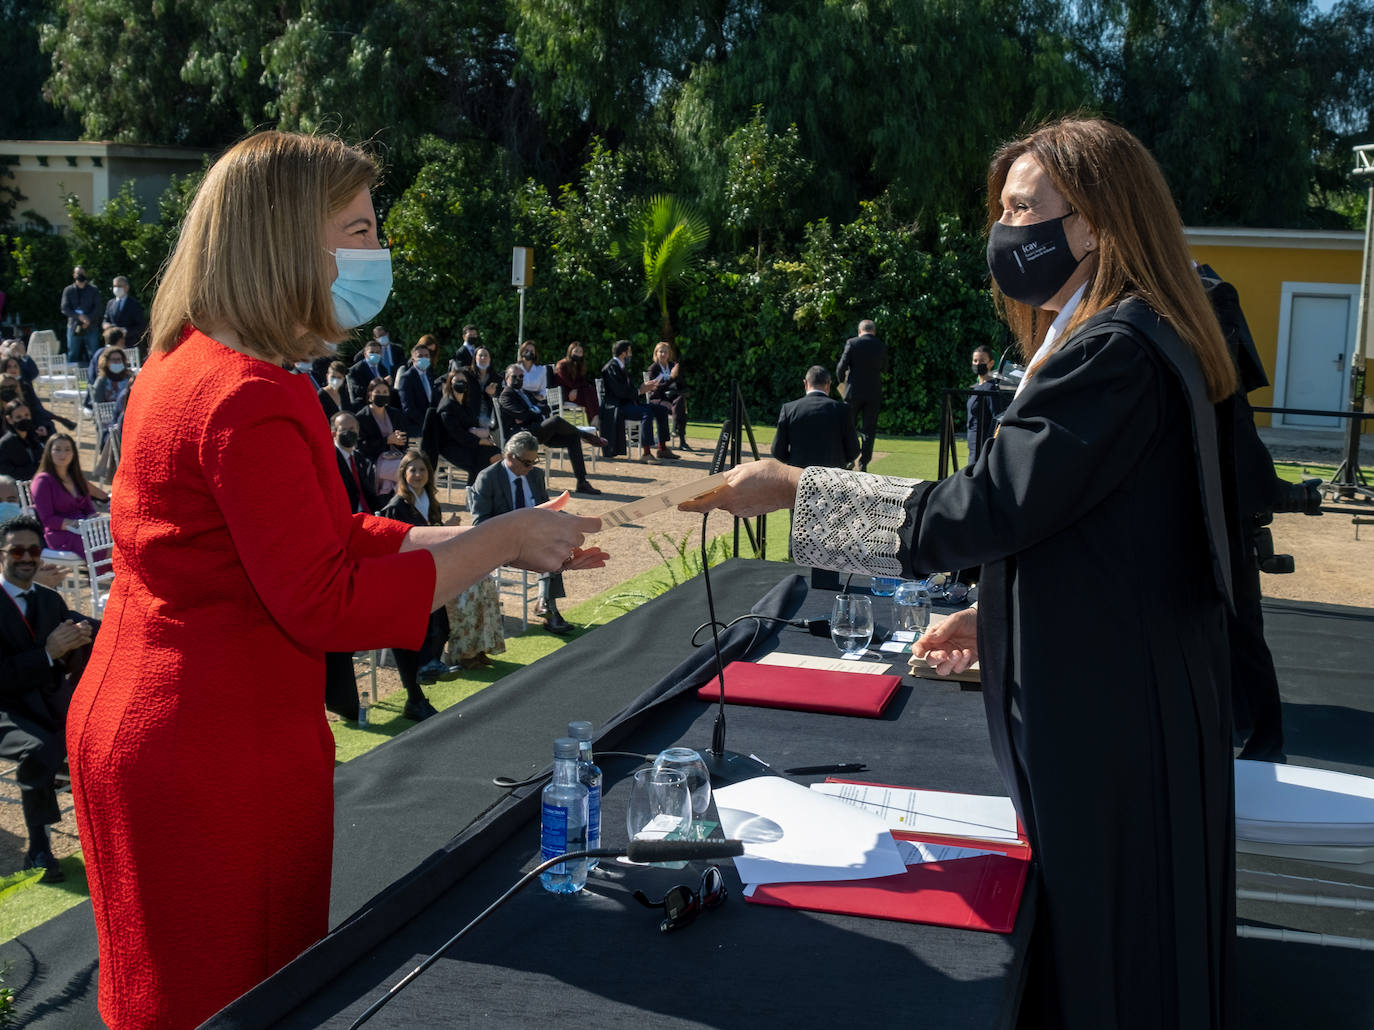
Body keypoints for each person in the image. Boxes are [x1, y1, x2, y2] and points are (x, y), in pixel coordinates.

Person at [684, 117, 1237, 1029]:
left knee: (1118, 953)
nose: (1006, 231)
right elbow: (1095, 528)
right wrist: (999, 615)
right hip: (1126, 686)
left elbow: (983, 506)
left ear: (1094, 222)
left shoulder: (1113, 351)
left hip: (1115, 720)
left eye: (1025, 208)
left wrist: (798, 489)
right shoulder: (1116, 333)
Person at [64, 130, 607, 1030]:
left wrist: (472, 534)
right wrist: (503, 540)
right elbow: (324, 600)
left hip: (154, 731)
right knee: (240, 1001)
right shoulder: (247, 396)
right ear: (285, 240)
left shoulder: (184, 363)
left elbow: (313, 533)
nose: (376, 249)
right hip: (210, 753)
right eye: (357, 227)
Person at [1, 514, 95, 883]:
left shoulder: (49, 599)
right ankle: (38, 848)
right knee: (41, 749)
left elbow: (87, 629)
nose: (27, 557)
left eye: (34, 550)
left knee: (96, 733)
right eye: (18, 550)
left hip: (44, 701)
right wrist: (46, 655)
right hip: (5, 709)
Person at [470, 431, 581, 634]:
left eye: (534, 461)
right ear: (510, 456)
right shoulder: (488, 478)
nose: (531, 467)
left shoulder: (535, 475)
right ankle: (549, 608)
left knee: (557, 543)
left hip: (536, 538)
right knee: (548, 548)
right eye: (527, 462)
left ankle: (544, 602)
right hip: (505, 542)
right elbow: (480, 523)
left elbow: (547, 508)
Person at [376, 451, 459, 718]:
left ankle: (427, 671)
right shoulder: (396, 507)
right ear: (403, 474)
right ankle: (416, 695)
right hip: (405, 581)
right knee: (414, 636)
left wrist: (447, 528)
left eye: (422, 470)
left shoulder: (431, 503)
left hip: (430, 576)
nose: (418, 475)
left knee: (441, 627)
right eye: (412, 470)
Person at [498, 364, 604, 495]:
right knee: (555, 421)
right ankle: (585, 435)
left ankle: (582, 482)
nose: (518, 379)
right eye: (514, 376)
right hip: (521, 435)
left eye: (521, 376)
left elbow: (545, 407)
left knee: (572, 438)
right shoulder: (506, 395)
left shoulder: (524, 393)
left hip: (536, 430)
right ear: (507, 378)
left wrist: (533, 410)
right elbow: (522, 415)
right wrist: (534, 411)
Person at [30, 433, 107, 556]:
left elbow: (89, 509)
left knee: (117, 539)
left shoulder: (77, 478)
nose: (63, 454)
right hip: (61, 534)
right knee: (108, 550)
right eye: (57, 449)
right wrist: (74, 524)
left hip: (85, 530)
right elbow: (48, 519)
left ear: (73, 453)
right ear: (49, 452)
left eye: (67, 449)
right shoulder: (42, 481)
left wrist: (93, 517)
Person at [771, 365, 859, 470]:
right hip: (832, 476)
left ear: (805, 383)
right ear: (828, 384)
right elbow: (853, 451)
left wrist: (794, 461)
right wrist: (838, 461)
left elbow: (777, 450)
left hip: (799, 476)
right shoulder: (843, 410)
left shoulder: (789, 409)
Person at [599, 339, 674, 462]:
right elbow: (619, 392)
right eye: (630, 352)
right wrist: (640, 390)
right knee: (646, 413)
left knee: (661, 410)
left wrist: (644, 387)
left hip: (628, 403)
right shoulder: (611, 368)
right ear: (624, 353)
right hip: (617, 406)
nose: (631, 355)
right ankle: (646, 453)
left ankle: (662, 448)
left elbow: (627, 389)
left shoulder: (621, 366)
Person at [836, 318, 887, 471]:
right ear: (874, 331)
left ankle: (848, 458)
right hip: (873, 393)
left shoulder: (852, 343)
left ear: (859, 331)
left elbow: (841, 367)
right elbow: (885, 368)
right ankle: (864, 463)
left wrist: (842, 383)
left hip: (853, 392)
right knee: (869, 429)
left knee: (848, 426)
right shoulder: (881, 346)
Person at [434, 371, 500, 484]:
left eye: (464, 381)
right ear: (450, 383)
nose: (461, 383)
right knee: (486, 457)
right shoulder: (447, 406)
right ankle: (474, 492)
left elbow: (470, 426)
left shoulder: (465, 403)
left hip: (468, 443)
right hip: (452, 447)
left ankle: (485, 489)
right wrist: (480, 441)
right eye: (457, 381)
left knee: (497, 452)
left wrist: (482, 435)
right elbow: (457, 434)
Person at [965, 344, 1010, 466]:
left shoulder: (990, 388)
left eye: (982, 360)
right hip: (972, 440)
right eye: (975, 360)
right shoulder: (975, 388)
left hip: (982, 441)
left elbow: (997, 416)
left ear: (990, 363)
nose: (977, 363)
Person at [646, 340, 690, 450]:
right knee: (680, 409)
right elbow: (657, 389)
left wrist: (678, 375)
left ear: (669, 354)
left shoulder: (672, 365)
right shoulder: (653, 368)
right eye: (660, 352)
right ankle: (682, 441)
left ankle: (675, 428)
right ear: (656, 353)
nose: (663, 354)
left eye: (665, 352)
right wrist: (671, 378)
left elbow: (682, 385)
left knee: (680, 401)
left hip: (672, 397)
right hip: (658, 398)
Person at [60, 266, 102, 365]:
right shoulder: (68, 290)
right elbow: (64, 308)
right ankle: (72, 378)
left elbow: (98, 308)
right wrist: (79, 317)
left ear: (86, 274)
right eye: (78, 273)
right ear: (74, 275)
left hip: (90, 326)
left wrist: (88, 319)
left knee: (94, 353)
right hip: (74, 326)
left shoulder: (93, 290)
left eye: (82, 273)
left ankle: (96, 375)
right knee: (73, 354)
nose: (80, 275)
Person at [552, 341, 600, 427]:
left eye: (580, 352)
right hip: (565, 394)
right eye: (576, 351)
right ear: (570, 352)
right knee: (587, 391)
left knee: (589, 389)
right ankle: (594, 419)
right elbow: (569, 383)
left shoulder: (578, 365)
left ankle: (594, 418)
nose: (578, 354)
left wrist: (576, 389)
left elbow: (581, 381)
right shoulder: (562, 365)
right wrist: (576, 388)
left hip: (575, 391)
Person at [102, 275, 149, 355]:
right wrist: (105, 325)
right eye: (114, 286)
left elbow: (141, 326)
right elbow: (106, 319)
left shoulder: (134, 304)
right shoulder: (110, 303)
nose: (116, 288)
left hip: (130, 344)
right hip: (112, 344)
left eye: (119, 286)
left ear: (126, 287)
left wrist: (126, 331)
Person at [0, 401, 45, 479]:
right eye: (18, 417)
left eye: (27, 415)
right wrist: (35, 470)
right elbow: (6, 471)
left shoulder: (34, 438)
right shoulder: (5, 444)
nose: (24, 419)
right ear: (9, 419)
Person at [397, 338, 438, 423]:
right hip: (416, 425)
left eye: (426, 356)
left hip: (432, 423)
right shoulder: (406, 378)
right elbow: (408, 408)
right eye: (420, 356)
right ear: (413, 359)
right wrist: (426, 422)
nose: (424, 358)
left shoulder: (430, 375)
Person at [517, 340, 550, 405]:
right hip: (520, 401)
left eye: (532, 351)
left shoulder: (541, 370)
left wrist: (540, 396)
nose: (529, 353)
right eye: (526, 351)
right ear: (522, 352)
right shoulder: (515, 369)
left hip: (536, 401)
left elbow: (543, 389)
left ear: (535, 354)